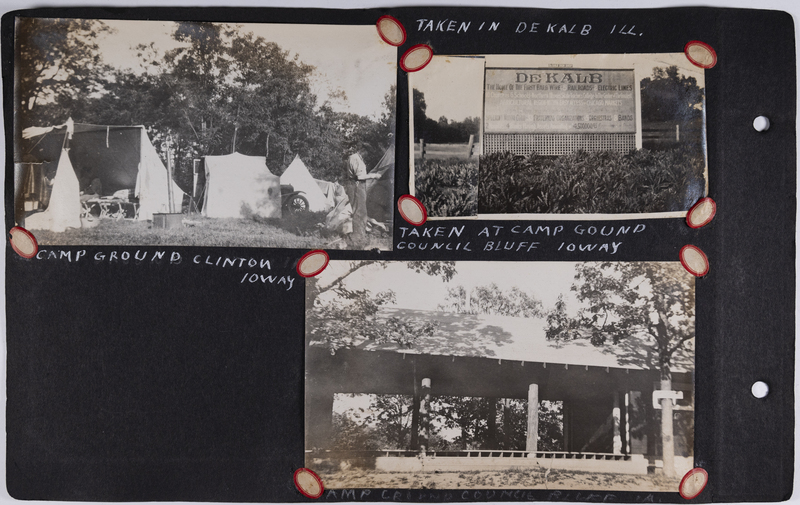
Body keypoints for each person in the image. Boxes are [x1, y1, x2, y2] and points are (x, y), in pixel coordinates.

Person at [343, 150, 379, 245]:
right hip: (356, 186)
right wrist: (374, 175)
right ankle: (358, 237)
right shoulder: (356, 159)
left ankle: (359, 235)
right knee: (359, 212)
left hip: (356, 185)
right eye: (367, 152)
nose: (368, 155)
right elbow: (360, 177)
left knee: (360, 211)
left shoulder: (356, 157)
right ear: (363, 150)